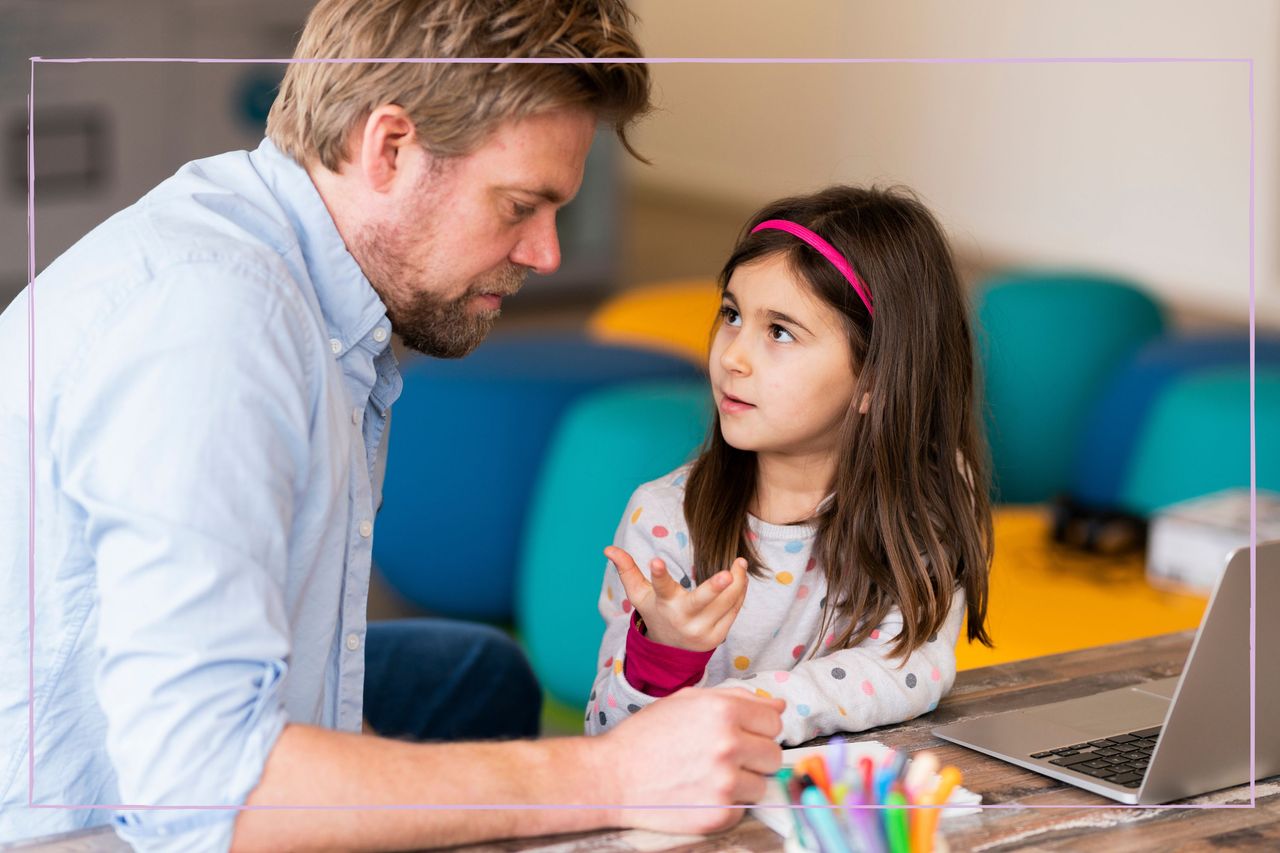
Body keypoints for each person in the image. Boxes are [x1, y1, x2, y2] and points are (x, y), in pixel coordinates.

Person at [0, 1, 785, 850]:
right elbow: (199, 791)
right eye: (521, 205)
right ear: (391, 149)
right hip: (73, 821)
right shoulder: (218, 327)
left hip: (130, 731)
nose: (545, 252)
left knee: (471, 674)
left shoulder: (284, 264)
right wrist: (613, 774)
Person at [585, 185, 994, 746]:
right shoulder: (663, 519)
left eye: (779, 331)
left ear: (875, 378)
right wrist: (663, 657)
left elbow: (910, 667)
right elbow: (608, 741)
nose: (731, 355)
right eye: (731, 314)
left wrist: (739, 706)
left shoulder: (927, 499)